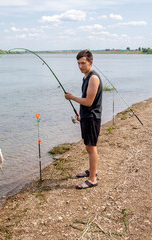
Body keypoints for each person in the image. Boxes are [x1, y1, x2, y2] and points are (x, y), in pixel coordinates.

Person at [65, 50, 102, 189]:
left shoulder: (93, 78)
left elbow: (88, 102)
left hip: (92, 118)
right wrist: (81, 114)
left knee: (91, 148)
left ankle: (92, 179)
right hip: (87, 116)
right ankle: (91, 170)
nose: (80, 66)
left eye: (83, 63)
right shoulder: (86, 77)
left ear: (90, 62)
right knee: (88, 147)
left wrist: (72, 97)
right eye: (78, 63)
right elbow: (86, 103)